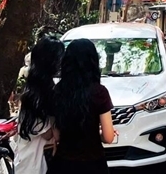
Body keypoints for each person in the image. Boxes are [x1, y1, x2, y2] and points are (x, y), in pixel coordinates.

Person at [49, 38, 116, 174]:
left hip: (63, 165)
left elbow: (57, 136)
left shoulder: (57, 91)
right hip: (93, 165)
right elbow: (108, 138)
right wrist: (99, 134)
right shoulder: (99, 92)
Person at [15, 36, 65, 174]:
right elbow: (48, 134)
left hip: (28, 159)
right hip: (34, 164)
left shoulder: (34, 87)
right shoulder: (41, 94)